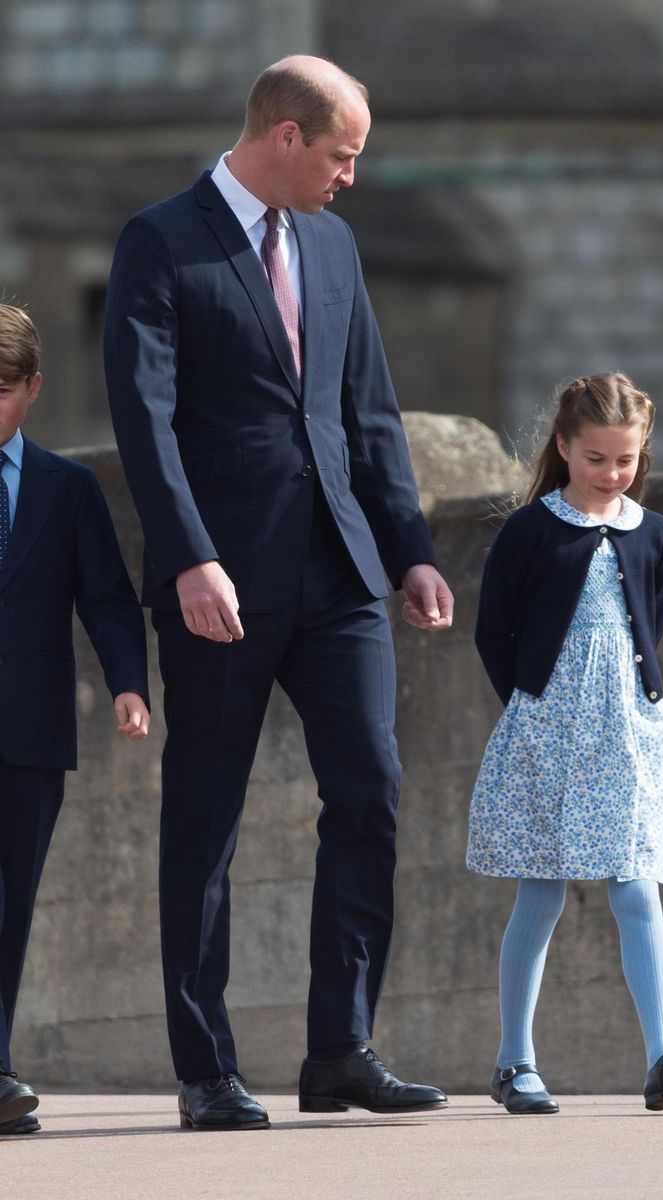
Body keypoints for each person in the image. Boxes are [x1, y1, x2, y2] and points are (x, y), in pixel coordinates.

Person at [103, 55, 453, 1130]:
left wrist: (411, 549)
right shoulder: (160, 240)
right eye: (343, 154)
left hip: (339, 572)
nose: (353, 176)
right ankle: (206, 1069)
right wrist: (189, 554)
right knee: (205, 822)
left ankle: (339, 1050)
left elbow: (370, 413)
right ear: (287, 136)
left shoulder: (338, 246)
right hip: (221, 581)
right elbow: (144, 418)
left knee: (371, 794)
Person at [467, 372, 663, 1114]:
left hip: (630, 732)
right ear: (564, 448)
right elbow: (494, 633)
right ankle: (515, 1062)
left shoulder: (656, 534)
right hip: (546, 728)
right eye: (596, 459)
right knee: (540, 893)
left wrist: (625, 703)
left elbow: (653, 622)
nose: (612, 474)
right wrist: (534, 706)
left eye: (626, 460)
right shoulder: (529, 530)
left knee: (636, 886)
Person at [0, 304, 150, 1135]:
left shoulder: (67, 488)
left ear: (33, 390)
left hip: (29, 732)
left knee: (11, 905)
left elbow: (107, 599)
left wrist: (130, 684)